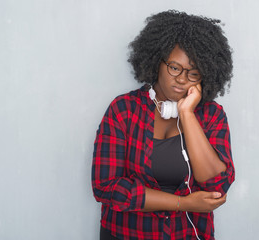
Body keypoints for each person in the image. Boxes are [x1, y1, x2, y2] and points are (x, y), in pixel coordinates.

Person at [92, 10, 235, 240]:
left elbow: (216, 185)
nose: (181, 79)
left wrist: (187, 114)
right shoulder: (123, 111)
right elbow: (107, 187)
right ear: (157, 61)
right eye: (175, 67)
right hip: (127, 234)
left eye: (194, 73)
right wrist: (182, 203)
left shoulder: (211, 115)